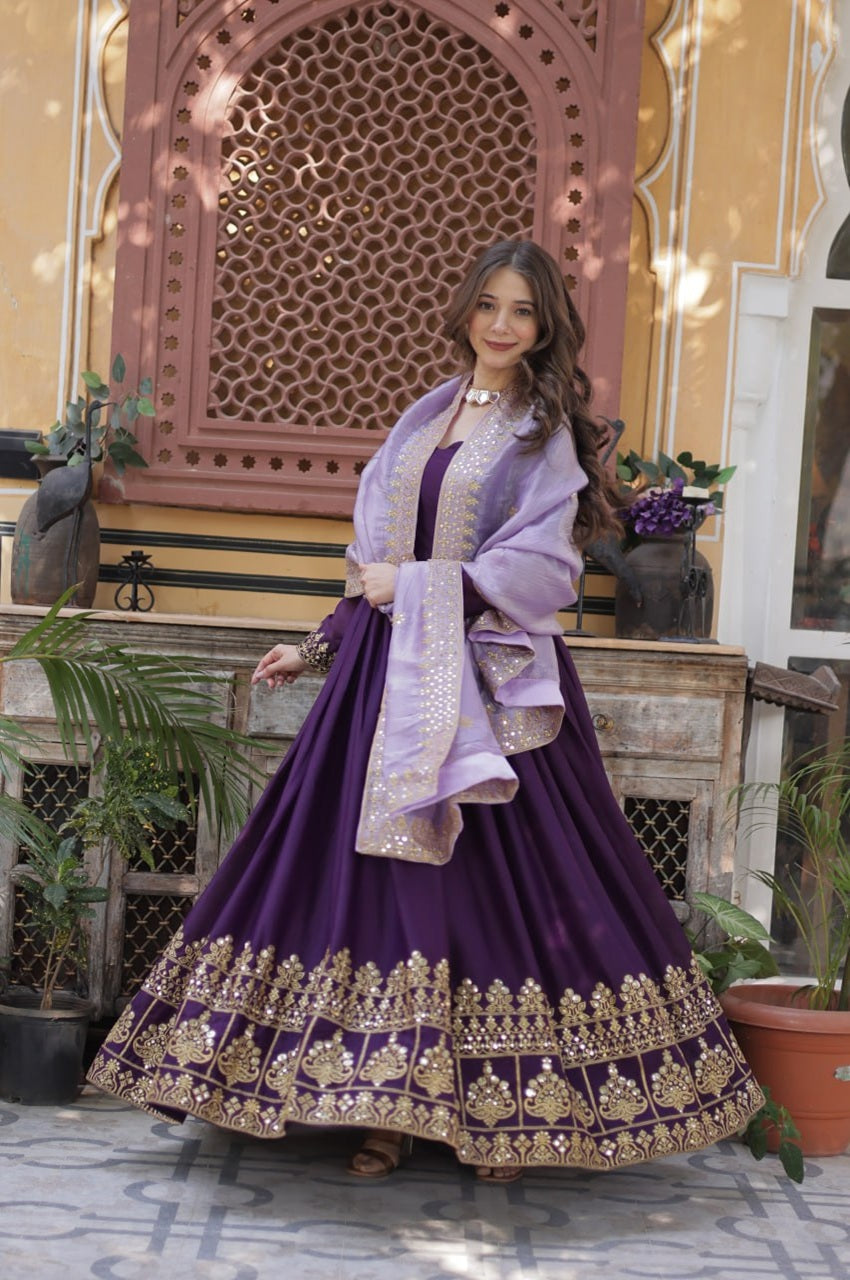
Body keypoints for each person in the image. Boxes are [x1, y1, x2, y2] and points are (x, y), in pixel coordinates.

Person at [88, 240, 763, 1182]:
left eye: (521, 311)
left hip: (488, 686)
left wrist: (415, 584)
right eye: (488, 304)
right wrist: (319, 642)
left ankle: (512, 1111)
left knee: (500, 891)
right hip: (381, 676)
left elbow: (543, 571)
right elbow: (373, 559)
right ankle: (389, 1110)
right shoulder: (425, 415)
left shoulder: (541, 433)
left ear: (544, 326)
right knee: (375, 891)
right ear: (465, 310)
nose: (500, 324)